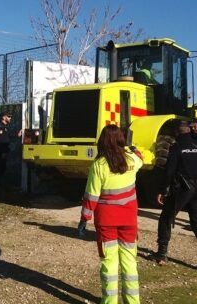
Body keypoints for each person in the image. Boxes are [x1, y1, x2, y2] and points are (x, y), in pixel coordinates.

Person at [78, 124, 143, 304]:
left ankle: (109, 301)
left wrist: (84, 218)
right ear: (121, 140)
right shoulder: (131, 160)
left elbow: (91, 196)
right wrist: (130, 148)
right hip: (129, 220)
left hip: (106, 222)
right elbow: (141, 157)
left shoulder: (98, 165)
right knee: (130, 262)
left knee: (109, 264)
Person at [155, 119, 197, 272]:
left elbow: (169, 171)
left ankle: (162, 254)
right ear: (189, 130)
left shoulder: (177, 147)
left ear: (176, 132)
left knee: (166, 217)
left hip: (182, 188)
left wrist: (162, 190)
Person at [0, 111, 21, 185]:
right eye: (9, 116)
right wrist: (3, 151)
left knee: (3, 166)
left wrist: (17, 135)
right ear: (3, 117)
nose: (10, 118)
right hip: (1, 148)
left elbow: (9, 135)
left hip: (4, 149)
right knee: (0, 166)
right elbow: (0, 138)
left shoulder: (5, 127)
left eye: (10, 117)